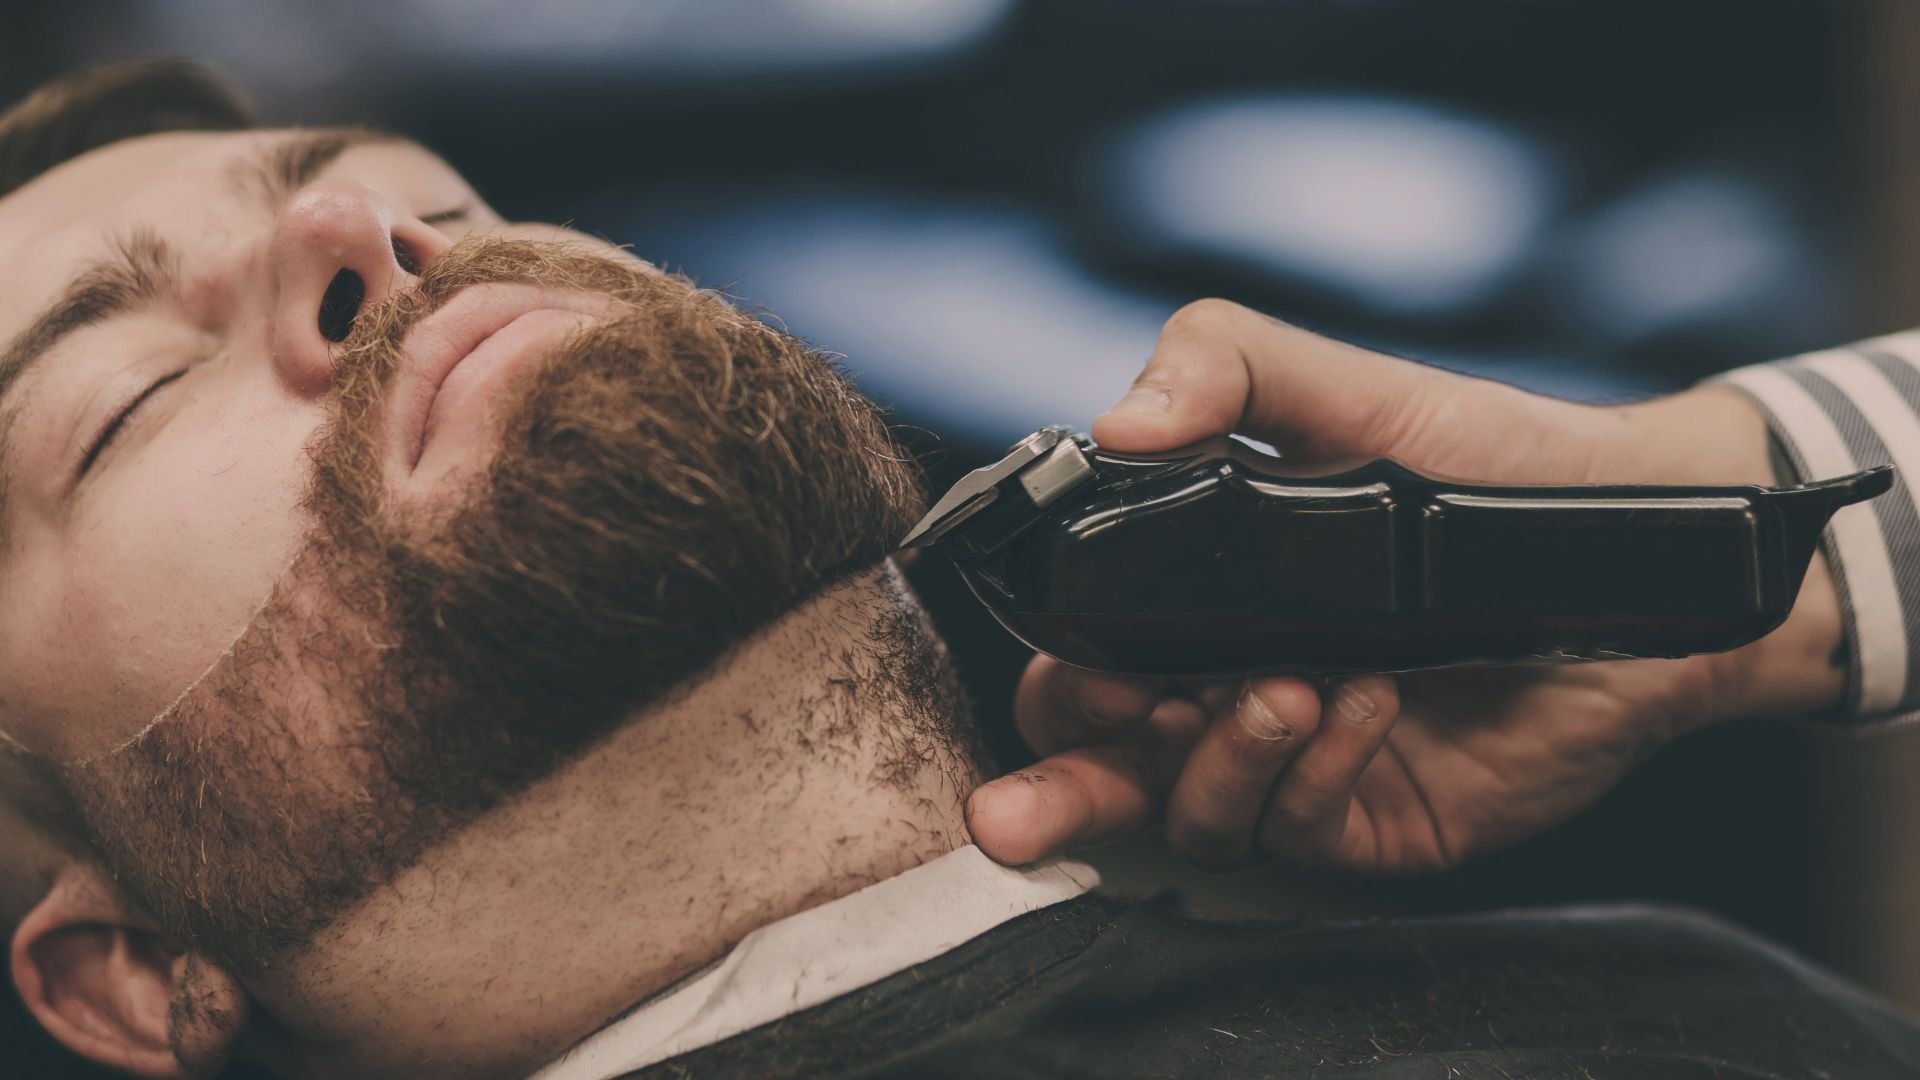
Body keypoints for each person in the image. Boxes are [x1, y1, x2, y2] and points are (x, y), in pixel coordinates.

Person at [3, 60, 1919, 1080]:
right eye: (119, 395)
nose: (376, 232)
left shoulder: (1692, 1013)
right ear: (127, 976)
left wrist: (1716, 533)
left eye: (442, 196)